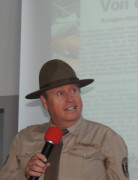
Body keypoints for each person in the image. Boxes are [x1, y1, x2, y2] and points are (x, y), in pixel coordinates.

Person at [0, 59, 130, 180]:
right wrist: (25, 174)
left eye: (74, 90)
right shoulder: (24, 137)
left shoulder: (106, 137)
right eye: (60, 93)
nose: (70, 99)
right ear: (44, 102)